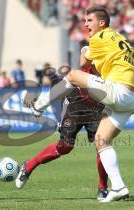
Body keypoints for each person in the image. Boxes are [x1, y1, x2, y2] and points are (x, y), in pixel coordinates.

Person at [28, 6, 134, 202]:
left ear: (102, 23)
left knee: (73, 75)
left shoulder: (100, 38)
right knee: (102, 140)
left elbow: (84, 64)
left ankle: (40, 105)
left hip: (118, 92)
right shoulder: (120, 39)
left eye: (89, 20)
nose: (85, 24)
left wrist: (84, 49)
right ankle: (118, 187)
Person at [15, 65, 109, 201]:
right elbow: (83, 58)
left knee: (102, 145)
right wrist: (62, 119)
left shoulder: (113, 57)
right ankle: (29, 165)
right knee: (65, 147)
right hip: (75, 103)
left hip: (96, 106)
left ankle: (103, 189)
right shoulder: (90, 51)